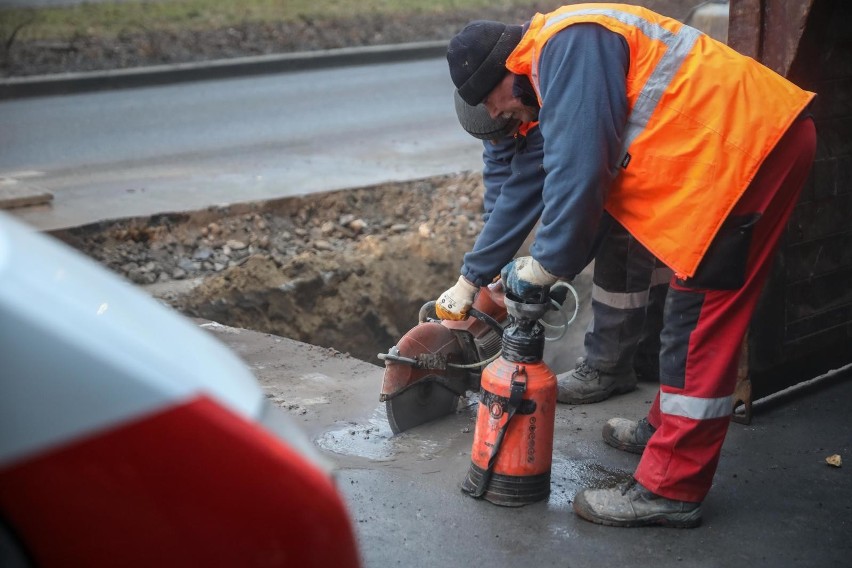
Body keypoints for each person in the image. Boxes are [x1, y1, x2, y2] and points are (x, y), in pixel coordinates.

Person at [444, 4, 816, 528]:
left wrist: (546, 266)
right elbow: (568, 191)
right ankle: (665, 432)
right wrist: (494, 273)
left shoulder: (568, 45)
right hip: (726, 161)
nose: (500, 116)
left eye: (493, 102)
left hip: (748, 157)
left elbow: (579, 173)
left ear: (508, 72)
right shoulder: (551, 66)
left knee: (696, 329)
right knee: (686, 323)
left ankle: (671, 487)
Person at [441, 92, 671, 404]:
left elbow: (566, 199)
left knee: (622, 244)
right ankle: (646, 356)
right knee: (636, 258)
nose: (498, 142)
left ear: (512, 108)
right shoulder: (495, 105)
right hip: (617, 147)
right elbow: (500, 175)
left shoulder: (555, 107)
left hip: (647, 148)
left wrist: (550, 267)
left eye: (503, 135)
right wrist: (495, 259)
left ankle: (610, 367)